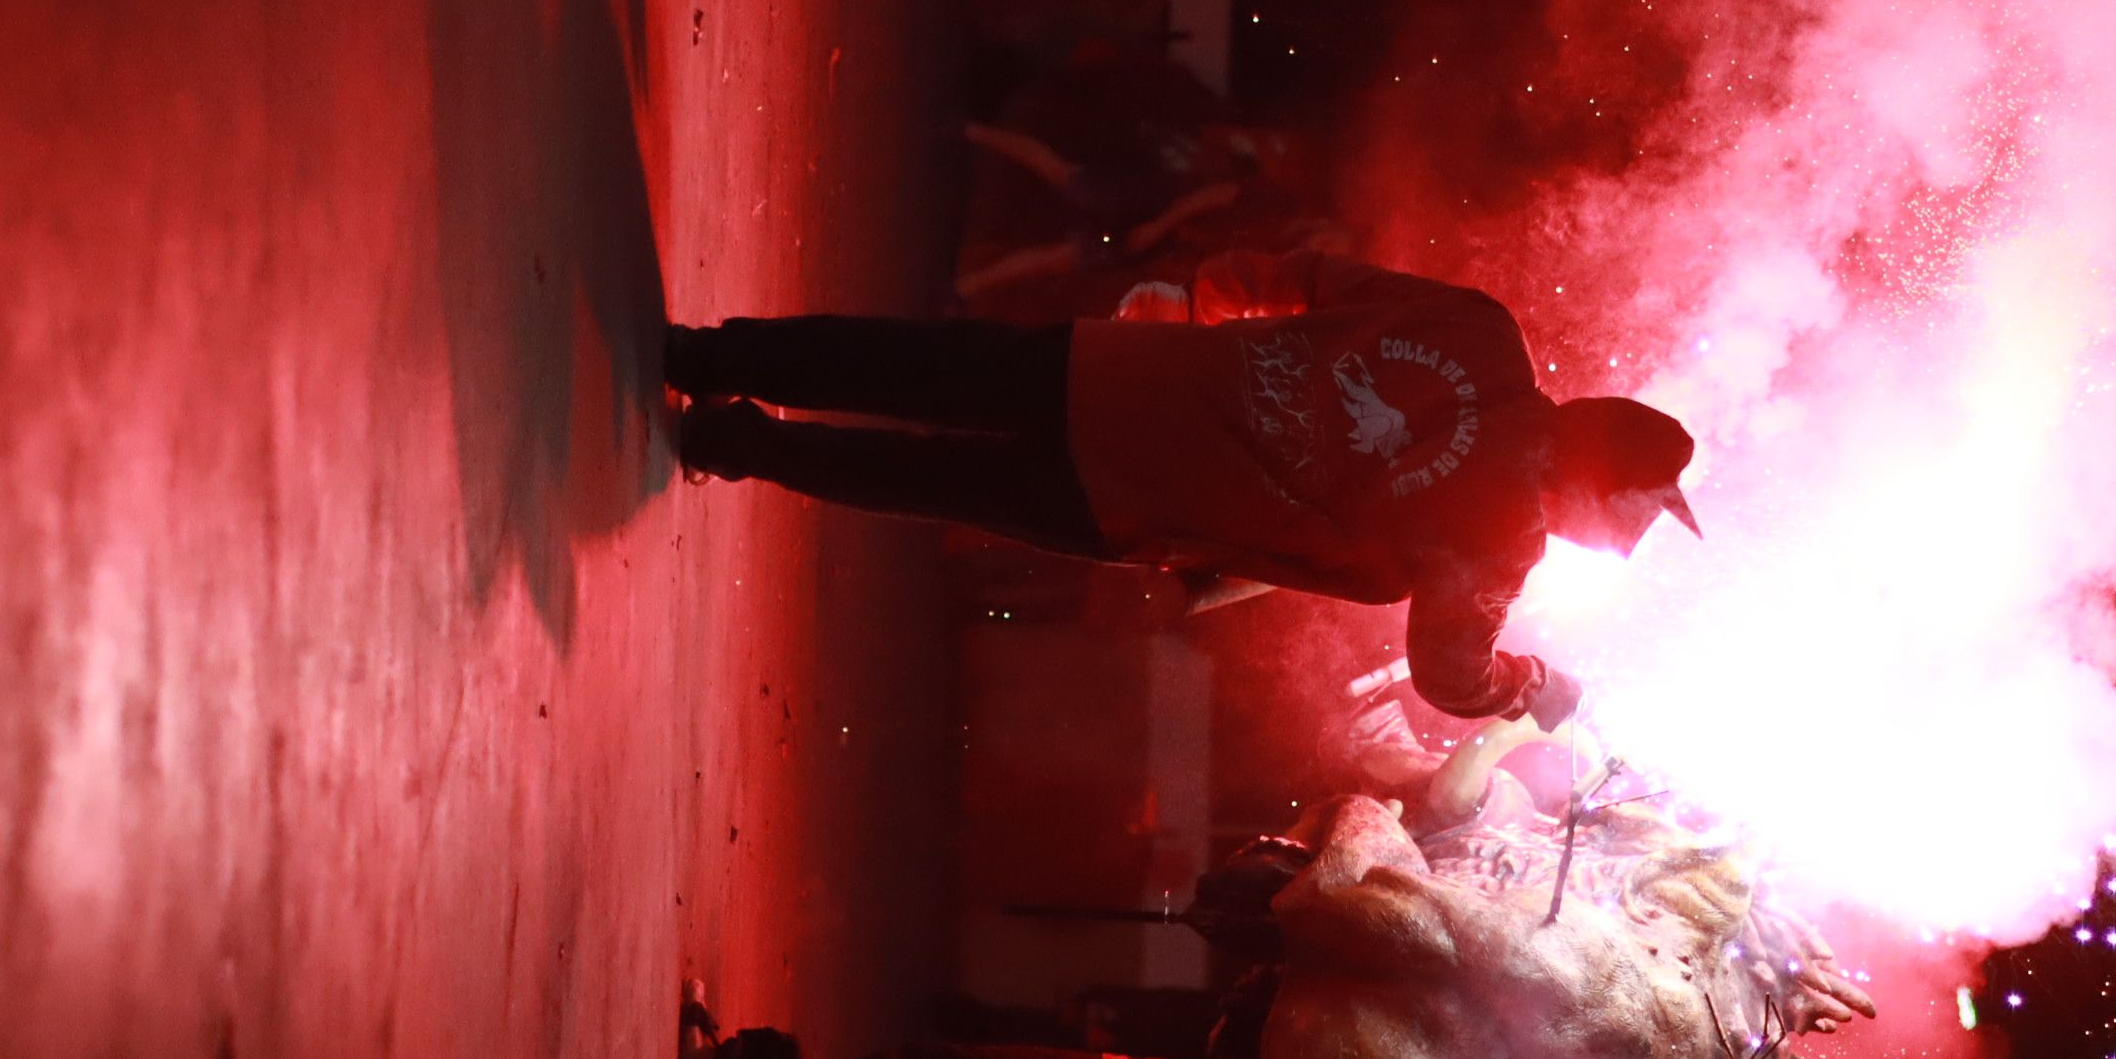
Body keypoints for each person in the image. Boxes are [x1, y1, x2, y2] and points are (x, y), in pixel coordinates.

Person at [665, 251, 1697, 722]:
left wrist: (1194, 297)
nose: (1621, 541)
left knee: (917, 364)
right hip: (1129, 493)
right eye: (1635, 516)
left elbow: (1312, 278)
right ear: (1601, 479)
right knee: (927, 477)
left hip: (1124, 369)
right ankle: (737, 442)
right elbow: (1446, 674)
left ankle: (709, 355)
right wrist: (1526, 688)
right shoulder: (1498, 542)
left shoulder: (1483, 329)